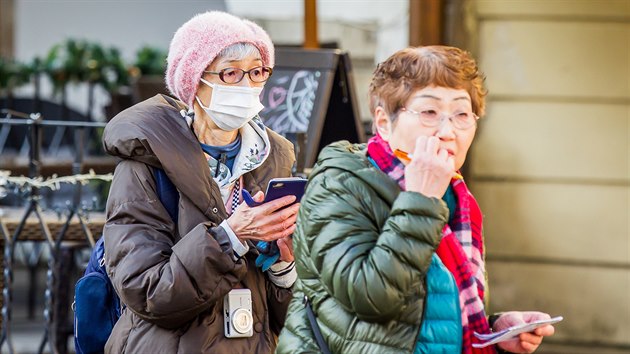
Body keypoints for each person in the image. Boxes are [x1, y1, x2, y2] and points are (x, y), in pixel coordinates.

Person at [276, 46, 556, 354]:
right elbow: (369, 299)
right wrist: (421, 200)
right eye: (429, 113)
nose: (448, 131)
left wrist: (492, 332)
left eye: (462, 114)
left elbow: (429, 311)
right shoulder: (339, 184)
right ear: (383, 122)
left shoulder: (456, 196)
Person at [101, 11, 300, 353]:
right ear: (195, 81)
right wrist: (231, 237)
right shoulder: (146, 165)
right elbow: (147, 292)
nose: (247, 86)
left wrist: (285, 267)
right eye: (230, 73)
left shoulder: (276, 159)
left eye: (256, 72)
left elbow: (290, 319)